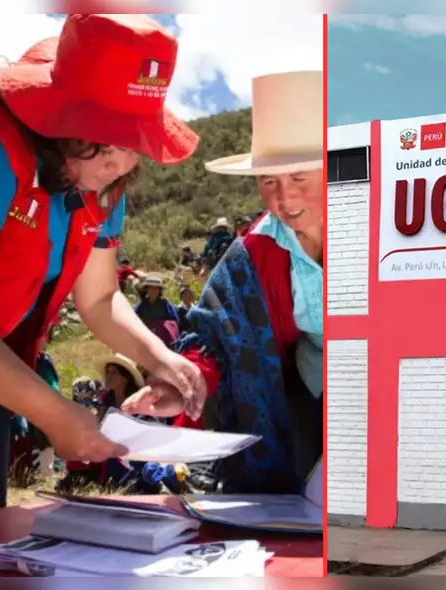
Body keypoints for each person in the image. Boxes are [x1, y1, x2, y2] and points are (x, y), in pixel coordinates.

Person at [0, 14, 208, 510]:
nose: (118, 164)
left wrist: (159, 359)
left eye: (133, 146)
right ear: (56, 117)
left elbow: (100, 298)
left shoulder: (103, 186)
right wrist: (57, 416)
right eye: (104, 141)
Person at [123, 70, 325, 494]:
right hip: (304, 399)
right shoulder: (252, 254)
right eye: (269, 181)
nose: (285, 198)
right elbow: (214, 336)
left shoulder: (382, 230)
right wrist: (185, 385)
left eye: (300, 179)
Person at [59, 354, 160, 492]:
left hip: (135, 453)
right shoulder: (104, 401)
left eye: (113, 372)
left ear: (124, 378)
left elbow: (148, 431)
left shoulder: (138, 402)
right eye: (107, 372)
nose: (108, 376)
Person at [133, 274, 180, 347]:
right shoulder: (142, 304)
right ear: (146, 290)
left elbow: (174, 321)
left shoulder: (165, 304)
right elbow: (135, 319)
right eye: (151, 288)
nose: (153, 291)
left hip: (164, 336)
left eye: (156, 288)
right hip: (146, 334)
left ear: (159, 290)